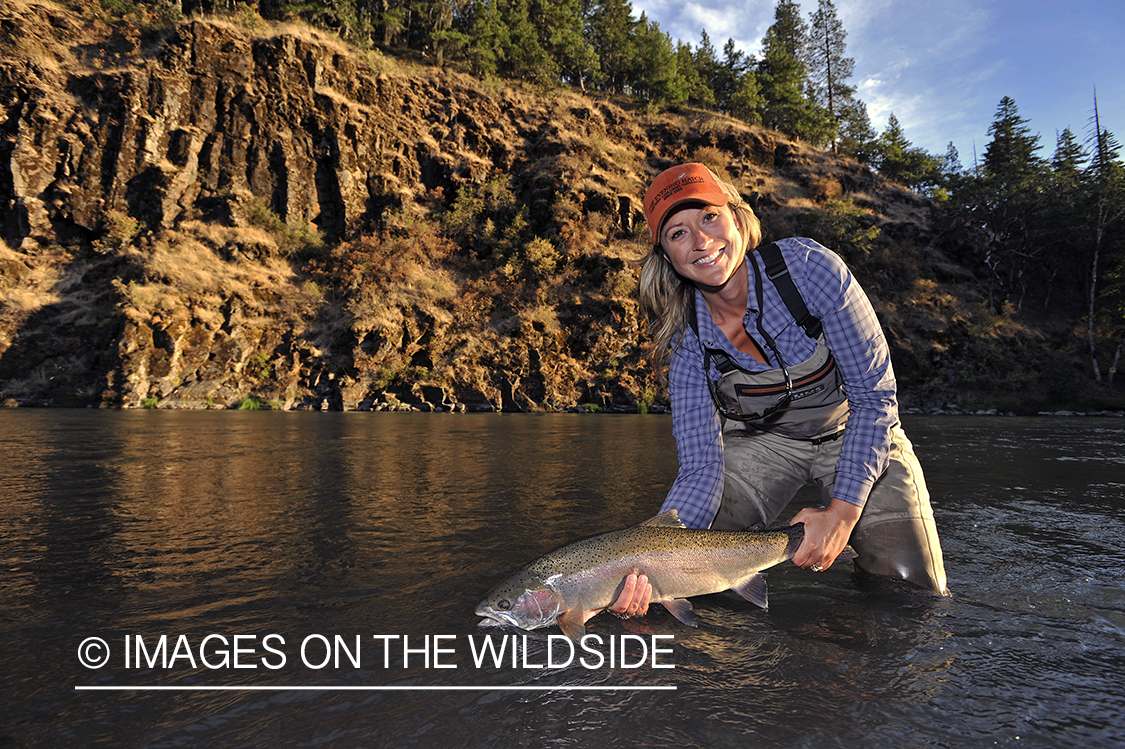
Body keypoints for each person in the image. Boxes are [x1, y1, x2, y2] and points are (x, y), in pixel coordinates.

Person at [603, 163, 948, 622]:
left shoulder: (811, 271)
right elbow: (701, 467)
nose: (701, 241)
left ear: (737, 219)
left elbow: (874, 397)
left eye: (709, 217)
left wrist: (842, 515)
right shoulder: (687, 343)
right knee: (680, 567)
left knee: (909, 595)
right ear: (667, 257)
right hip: (763, 444)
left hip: (855, 428)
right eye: (677, 233)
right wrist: (648, 567)